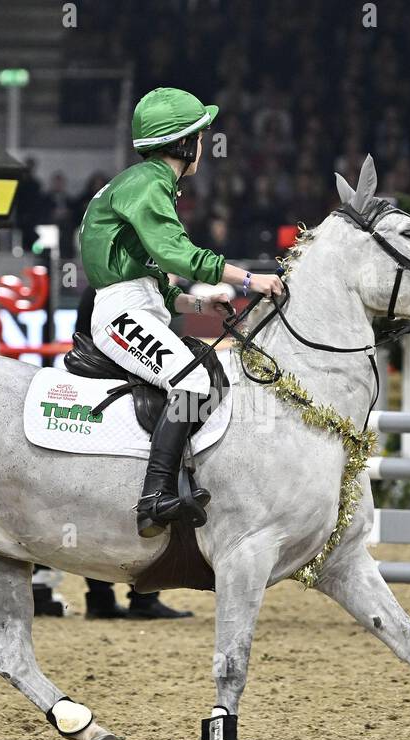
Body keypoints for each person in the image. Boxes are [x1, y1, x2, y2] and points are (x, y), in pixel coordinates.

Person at [78, 87, 283, 538]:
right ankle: (154, 496)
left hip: (137, 303)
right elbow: (174, 255)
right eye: (202, 136)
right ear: (185, 142)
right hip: (119, 312)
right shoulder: (149, 182)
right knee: (190, 381)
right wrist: (249, 279)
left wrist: (195, 302)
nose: (206, 146)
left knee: (208, 371)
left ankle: (182, 477)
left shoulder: (145, 183)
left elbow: (147, 274)